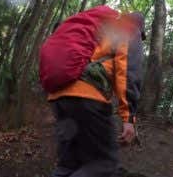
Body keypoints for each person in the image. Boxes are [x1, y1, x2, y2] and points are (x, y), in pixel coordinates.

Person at [48, 10, 145, 177]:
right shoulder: (129, 29)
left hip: (59, 97)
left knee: (67, 165)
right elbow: (127, 72)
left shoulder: (100, 28)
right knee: (104, 164)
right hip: (87, 98)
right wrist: (128, 118)